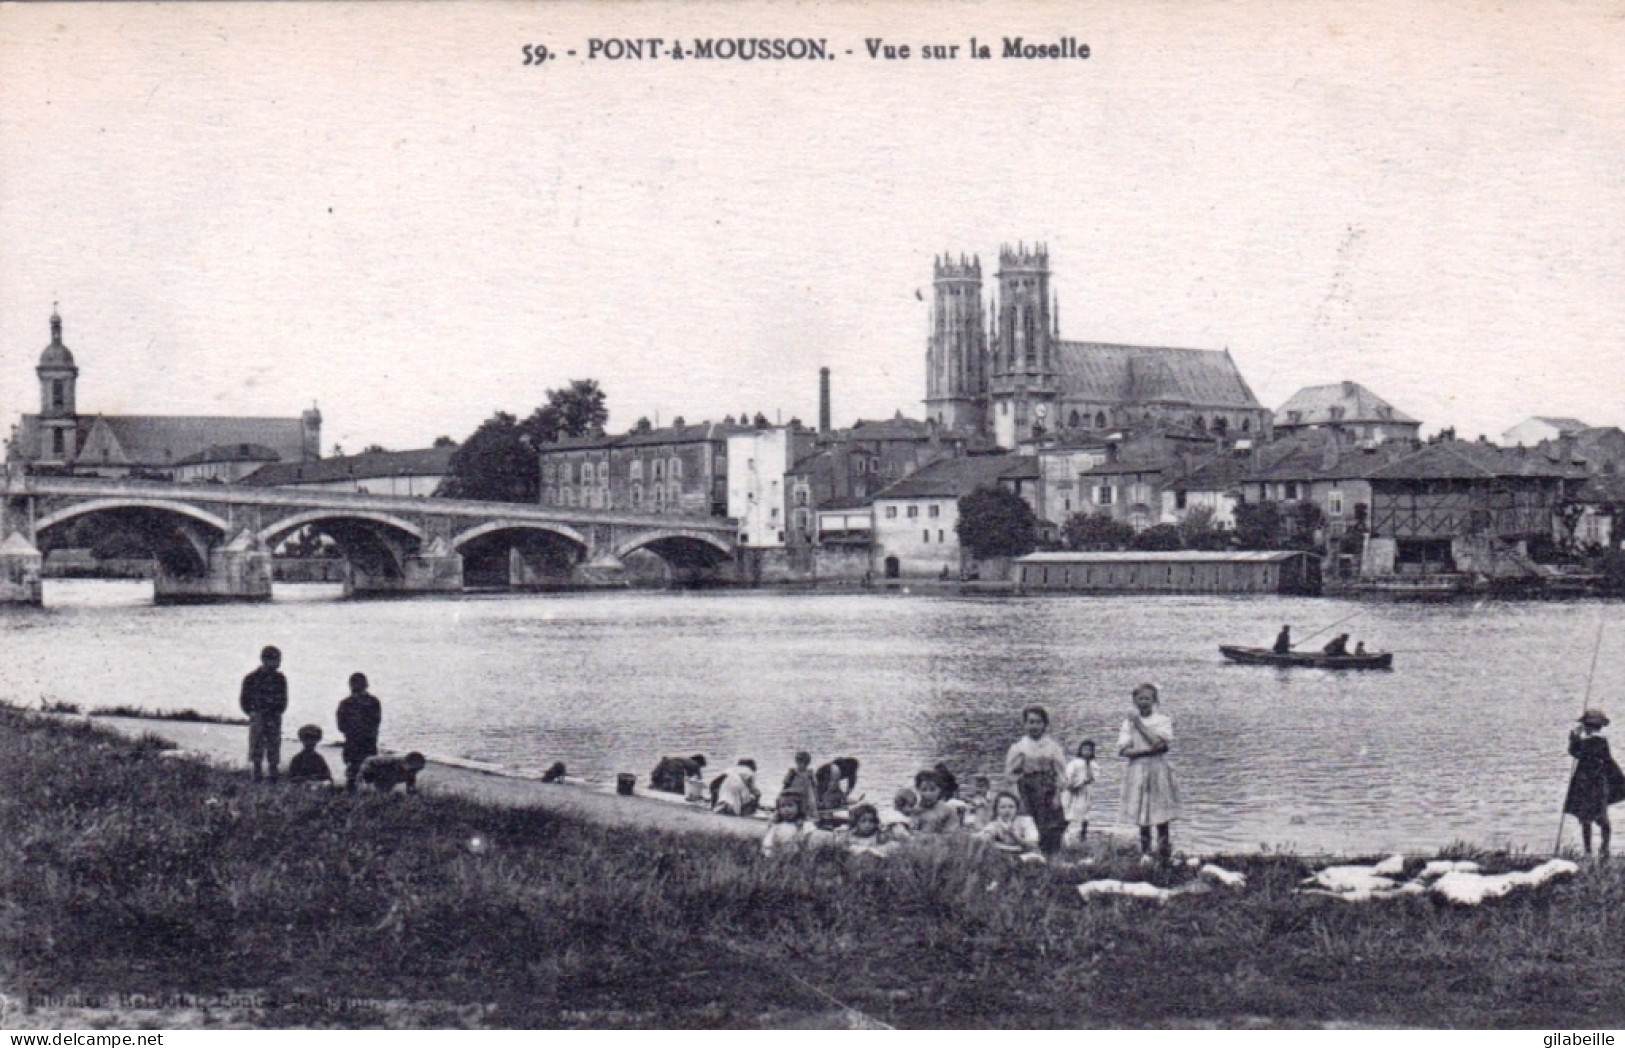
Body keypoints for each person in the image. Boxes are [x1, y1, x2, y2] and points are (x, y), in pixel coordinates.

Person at [1118, 683, 1183, 863]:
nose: (1144, 702)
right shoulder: (1127, 724)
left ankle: (1164, 853)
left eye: (1148, 698)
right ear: (1134, 701)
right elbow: (1123, 751)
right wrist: (1146, 752)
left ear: (1154, 700)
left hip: (1158, 770)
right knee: (1142, 813)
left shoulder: (1162, 720)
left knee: (1162, 813)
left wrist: (1138, 725)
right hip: (1138, 770)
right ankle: (1145, 854)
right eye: (1140, 699)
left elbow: (1160, 745)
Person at [1005, 705, 1069, 854]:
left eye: (1038, 722)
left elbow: (1061, 773)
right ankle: (1030, 854)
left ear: (1045, 725)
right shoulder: (1019, 748)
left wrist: (1058, 795)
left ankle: (1051, 855)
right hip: (1027, 789)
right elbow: (1010, 775)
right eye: (1030, 722)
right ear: (1025, 724)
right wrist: (1017, 794)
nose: (1034, 726)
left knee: (1052, 823)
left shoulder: (1053, 747)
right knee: (1029, 821)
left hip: (1049, 788)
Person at [1565, 709, 1625, 858]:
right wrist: (1575, 739)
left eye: (1586, 725)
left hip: (1591, 784)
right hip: (1595, 784)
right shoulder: (1597, 741)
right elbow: (1577, 752)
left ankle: (1594, 851)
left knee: (1591, 818)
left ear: (1589, 726)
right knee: (1597, 817)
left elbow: (1577, 752)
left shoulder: (1596, 741)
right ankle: (1600, 850)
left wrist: (1574, 739)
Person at [239, 645, 288, 782]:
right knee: (256, 745)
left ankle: (273, 774)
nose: (278, 663)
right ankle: (257, 773)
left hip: (274, 716)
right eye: (275, 660)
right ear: (264, 660)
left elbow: (284, 699)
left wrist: (277, 711)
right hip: (258, 716)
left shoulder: (280, 679)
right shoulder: (251, 678)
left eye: (279, 660)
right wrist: (252, 713)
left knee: (274, 745)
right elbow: (244, 700)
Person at [335, 672, 383, 792]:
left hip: (359, 743)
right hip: (361, 743)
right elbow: (375, 723)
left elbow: (341, 726)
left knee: (362, 775)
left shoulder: (347, 703)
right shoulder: (373, 702)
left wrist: (354, 730)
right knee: (359, 776)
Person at [1061, 739, 1098, 852]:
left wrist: (1088, 766)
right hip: (1073, 791)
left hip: (1085, 791)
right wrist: (1071, 784)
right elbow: (1069, 775)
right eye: (1085, 749)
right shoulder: (1074, 763)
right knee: (1068, 812)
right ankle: (1063, 834)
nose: (1087, 752)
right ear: (1080, 750)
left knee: (1085, 814)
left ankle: (1083, 835)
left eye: (1090, 750)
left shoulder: (1093, 765)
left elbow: (1092, 778)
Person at [977, 792, 1041, 857]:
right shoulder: (995, 824)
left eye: (1011, 807)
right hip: (1004, 856)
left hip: (1027, 855)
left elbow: (1032, 844)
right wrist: (988, 836)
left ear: (1017, 808)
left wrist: (1014, 834)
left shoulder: (1026, 821)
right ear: (996, 810)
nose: (1007, 810)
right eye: (1002, 807)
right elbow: (982, 838)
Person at [761, 791, 819, 856]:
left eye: (790, 805)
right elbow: (768, 841)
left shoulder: (804, 824)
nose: (786, 810)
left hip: (799, 855)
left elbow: (810, 841)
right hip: (779, 855)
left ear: (799, 807)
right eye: (782, 806)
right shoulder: (777, 825)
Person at [912, 768, 961, 834]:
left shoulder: (948, 810)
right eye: (924, 790)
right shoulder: (913, 810)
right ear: (917, 790)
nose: (928, 794)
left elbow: (952, 832)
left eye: (932, 789)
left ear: (940, 789)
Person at [360, 751, 426, 794]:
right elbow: (369, 761)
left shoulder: (410, 773)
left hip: (385, 777)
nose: (415, 772)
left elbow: (411, 788)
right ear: (405, 763)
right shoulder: (390, 763)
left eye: (418, 769)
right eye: (414, 769)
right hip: (371, 771)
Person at [782, 750, 820, 818]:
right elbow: (784, 789)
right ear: (797, 762)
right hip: (792, 798)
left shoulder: (810, 775)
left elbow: (813, 791)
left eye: (805, 763)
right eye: (800, 762)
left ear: (807, 764)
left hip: (804, 800)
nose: (802, 765)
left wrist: (815, 806)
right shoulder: (792, 774)